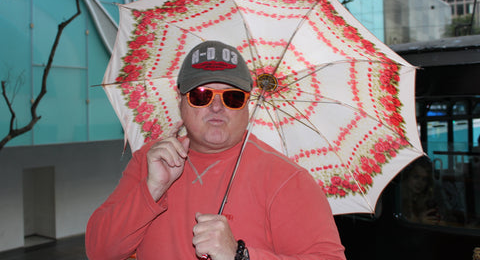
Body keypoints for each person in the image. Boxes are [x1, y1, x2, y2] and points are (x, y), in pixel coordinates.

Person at [86, 41, 346, 260]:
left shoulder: (286, 178)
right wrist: (152, 189)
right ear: (180, 101)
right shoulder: (149, 161)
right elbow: (100, 251)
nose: (217, 107)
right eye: (202, 95)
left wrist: (241, 255)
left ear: (247, 104)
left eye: (232, 97)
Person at [401, 156, 443, 225]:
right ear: (407, 176)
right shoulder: (399, 200)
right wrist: (420, 222)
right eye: (416, 177)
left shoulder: (425, 199)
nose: (420, 183)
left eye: (424, 179)